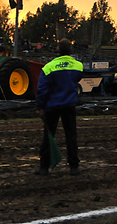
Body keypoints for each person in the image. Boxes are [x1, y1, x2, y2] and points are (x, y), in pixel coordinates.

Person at [35, 38, 83, 176]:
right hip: (69, 105)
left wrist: (40, 106)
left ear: (57, 50)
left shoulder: (49, 67)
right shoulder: (78, 66)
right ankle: (74, 167)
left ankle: (44, 167)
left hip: (52, 106)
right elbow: (77, 78)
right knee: (71, 136)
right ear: (70, 50)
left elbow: (42, 89)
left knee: (49, 136)